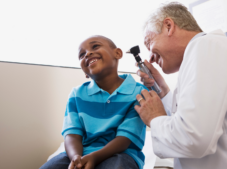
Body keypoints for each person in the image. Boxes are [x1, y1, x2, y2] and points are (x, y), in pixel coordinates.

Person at [134, 2, 227, 169]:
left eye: (149, 44)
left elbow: (194, 138)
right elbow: (187, 122)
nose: (150, 58)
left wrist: (154, 118)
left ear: (168, 26)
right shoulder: (206, 51)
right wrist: (164, 91)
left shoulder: (205, 46)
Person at [40, 35, 147, 169]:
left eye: (95, 46)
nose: (88, 53)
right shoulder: (76, 94)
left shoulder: (139, 93)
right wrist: (76, 158)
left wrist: (94, 157)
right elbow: (72, 134)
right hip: (80, 154)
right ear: (85, 72)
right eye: (81, 55)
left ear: (118, 53)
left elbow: (125, 138)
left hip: (121, 154)